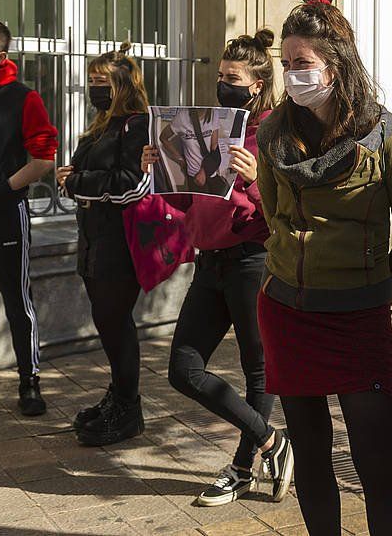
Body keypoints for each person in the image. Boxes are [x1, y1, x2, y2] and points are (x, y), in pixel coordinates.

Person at [255, 0, 392, 536]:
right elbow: (271, 213)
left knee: (376, 460)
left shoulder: (385, 133)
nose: (292, 75)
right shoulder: (271, 132)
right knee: (310, 454)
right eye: (285, 65)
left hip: (359, 317)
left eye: (302, 63)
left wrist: (379, 294)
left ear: (335, 65)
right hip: (287, 310)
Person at [140, 30, 294, 507]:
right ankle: (272, 440)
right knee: (183, 370)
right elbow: (190, 197)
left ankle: (243, 469)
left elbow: (292, 206)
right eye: (219, 76)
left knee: (258, 370)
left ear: (257, 84)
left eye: (232, 78)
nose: (222, 85)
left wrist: (259, 177)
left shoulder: (275, 132)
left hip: (252, 259)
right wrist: (160, 166)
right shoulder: (207, 124)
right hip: (209, 263)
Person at [56, 44, 151, 446]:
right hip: (93, 238)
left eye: (101, 82)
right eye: (92, 81)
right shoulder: (99, 126)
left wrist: (79, 184)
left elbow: (131, 185)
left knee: (116, 324)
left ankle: (128, 409)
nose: (95, 88)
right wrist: (78, 181)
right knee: (107, 324)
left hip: (120, 243)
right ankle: (119, 395)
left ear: (123, 84)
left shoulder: (138, 124)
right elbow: (74, 172)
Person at [0, 18, 57, 415]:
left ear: (1, 56)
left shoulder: (23, 99)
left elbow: (43, 158)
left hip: (5, 215)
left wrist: (0, 190)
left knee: (16, 300)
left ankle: (29, 382)